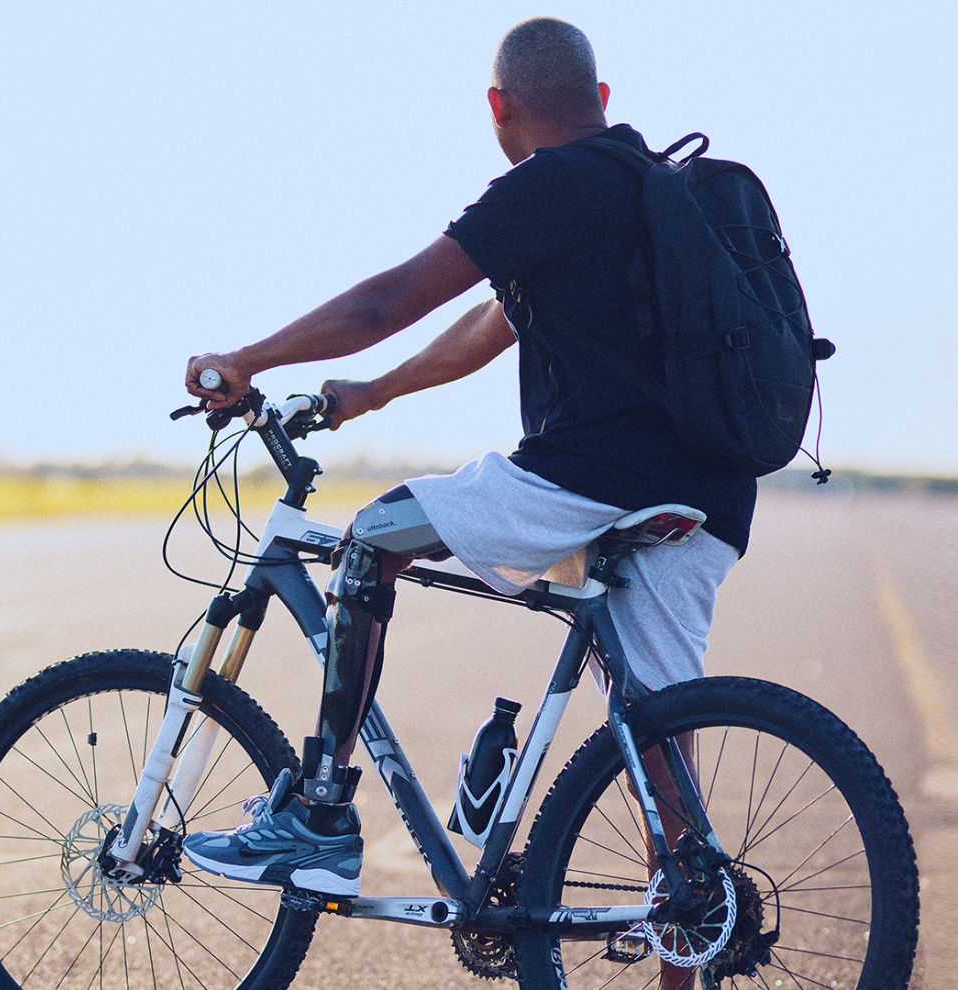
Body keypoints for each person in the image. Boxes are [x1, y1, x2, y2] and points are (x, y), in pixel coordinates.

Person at [178, 17, 752, 924]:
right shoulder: (652, 191)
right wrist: (372, 394)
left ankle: (320, 817)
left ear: (499, 107)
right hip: (706, 497)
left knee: (371, 539)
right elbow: (495, 326)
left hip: (589, 479)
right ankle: (692, 933)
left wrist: (248, 358)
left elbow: (386, 299)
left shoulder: (550, 187)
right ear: (601, 101)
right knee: (654, 743)